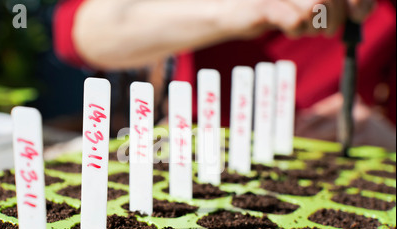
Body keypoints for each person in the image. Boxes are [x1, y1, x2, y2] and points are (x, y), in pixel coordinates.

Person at [53, 0, 396, 150]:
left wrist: (388, 142)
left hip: (332, 172)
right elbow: (77, 33)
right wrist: (235, 9)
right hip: (192, 161)